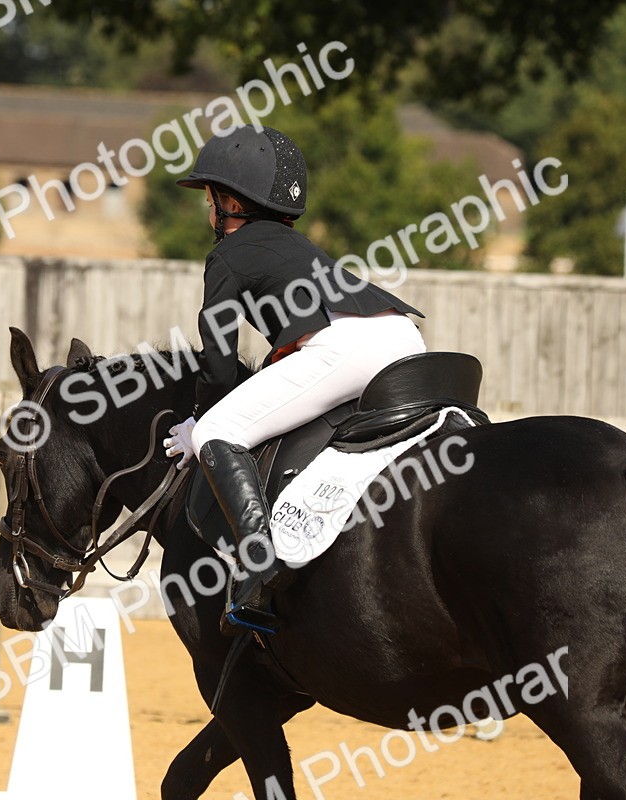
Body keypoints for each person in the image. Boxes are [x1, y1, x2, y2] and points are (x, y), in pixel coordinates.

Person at [162, 125, 427, 635]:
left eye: (211, 197)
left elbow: (218, 361)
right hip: (403, 337)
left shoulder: (227, 256)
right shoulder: (294, 246)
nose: (208, 210)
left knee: (220, 433)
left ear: (230, 201)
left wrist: (200, 423)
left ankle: (260, 571)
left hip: (347, 348)